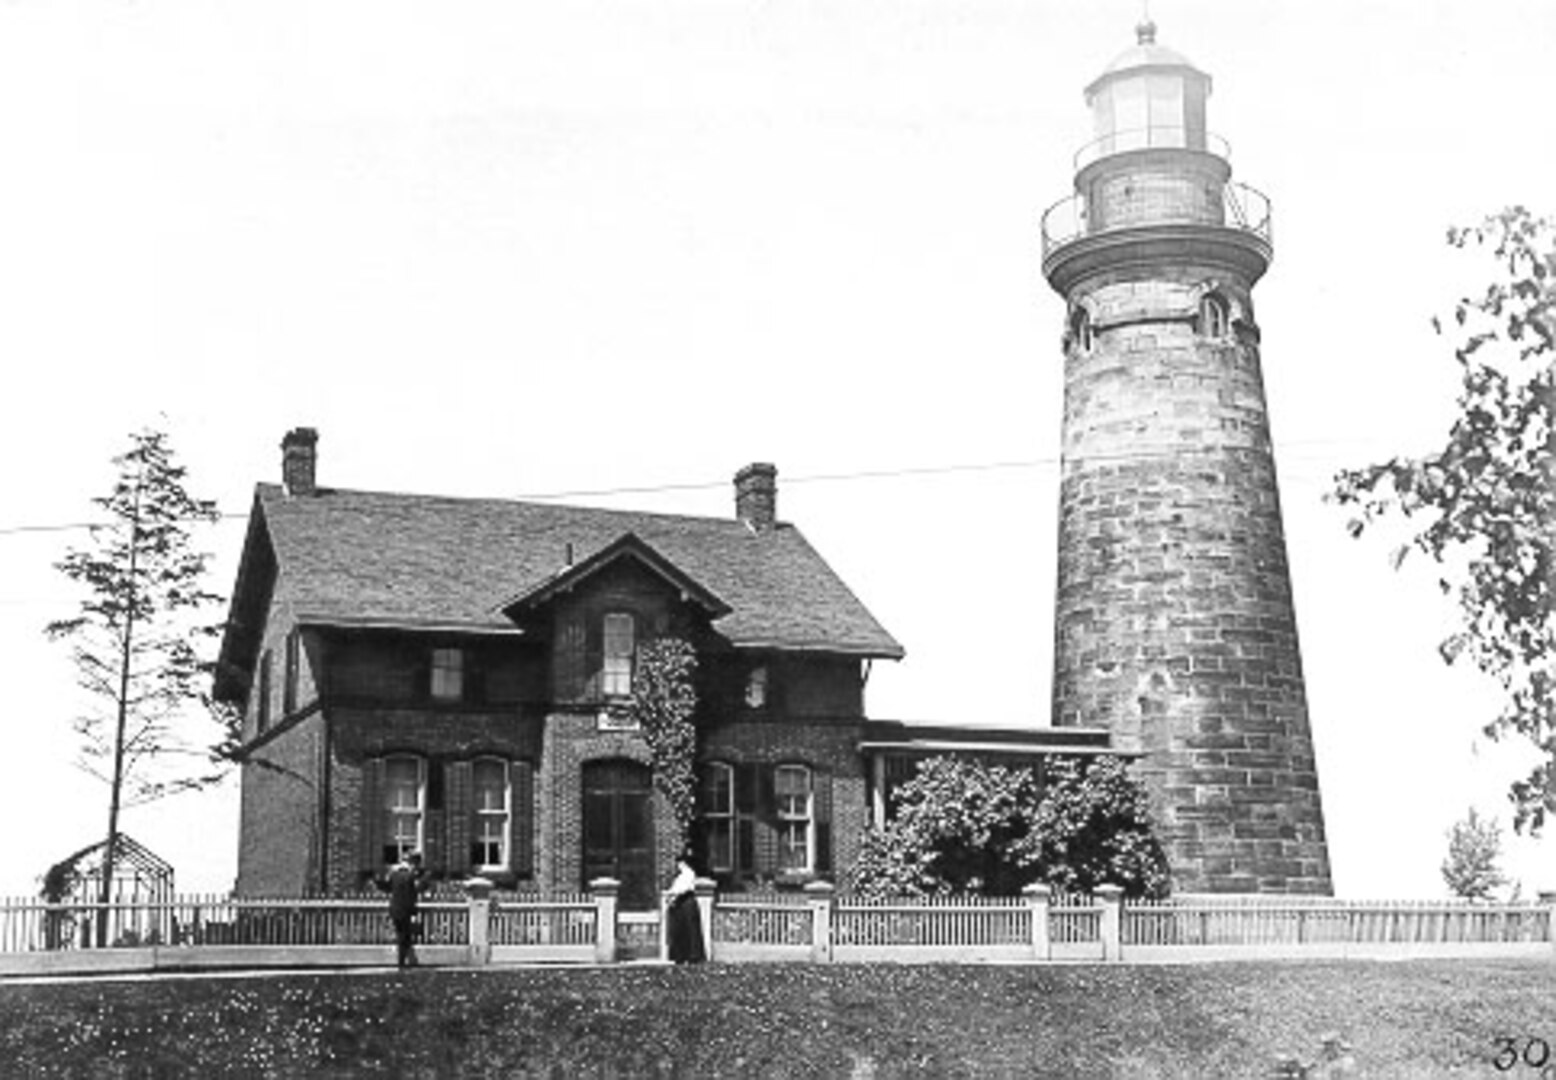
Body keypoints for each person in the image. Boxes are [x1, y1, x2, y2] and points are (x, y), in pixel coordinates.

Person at [380, 851, 428, 969]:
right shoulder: (409, 877)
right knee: (404, 937)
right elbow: (411, 895)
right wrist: (413, 911)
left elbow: (387, 887)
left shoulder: (395, 874)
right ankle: (402, 962)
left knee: (401, 934)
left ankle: (403, 960)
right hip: (404, 910)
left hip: (395, 908)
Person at [665, 857, 706, 964]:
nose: (678, 866)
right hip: (680, 904)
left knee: (690, 929)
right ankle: (681, 955)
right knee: (680, 930)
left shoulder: (689, 874)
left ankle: (693, 955)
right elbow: (675, 889)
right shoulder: (679, 877)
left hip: (687, 903)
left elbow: (683, 889)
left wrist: (672, 894)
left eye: (680, 864)